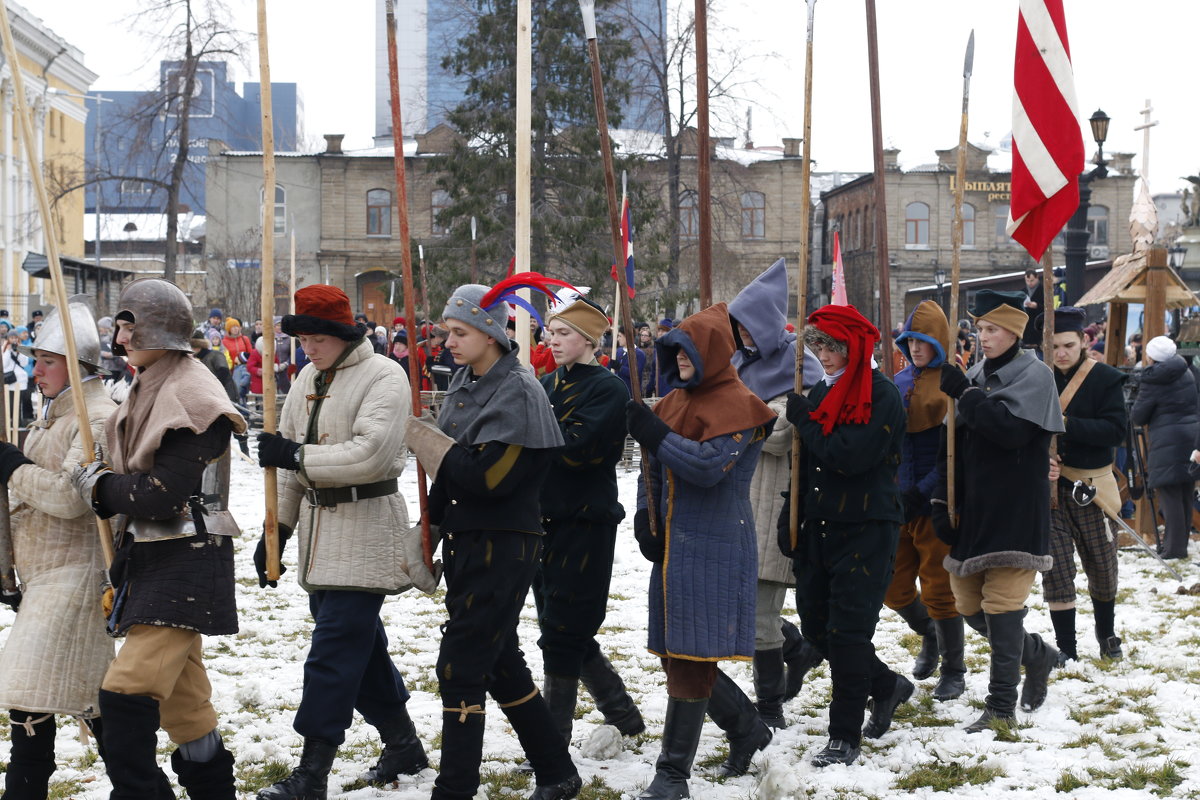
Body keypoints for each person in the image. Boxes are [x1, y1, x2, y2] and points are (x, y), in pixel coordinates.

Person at [404, 277, 581, 800]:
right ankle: (557, 772)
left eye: (460, 332)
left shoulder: (519, 391)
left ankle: (454, 788)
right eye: (447, 333)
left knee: (461, 664)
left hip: (504, 544)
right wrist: (428, 532)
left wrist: (427, 442)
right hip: (466, 538)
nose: (449, 343)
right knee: (500, 664)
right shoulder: (464, 383)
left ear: (490, 332)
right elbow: (449, 478)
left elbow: (488, 478)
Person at [70, 277, 246, 799]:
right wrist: (107, 479)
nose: (120, 339)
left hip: (187, 558)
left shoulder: (193, 394)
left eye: (129, 328)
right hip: (149, 556)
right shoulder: (151, 382)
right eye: (120, 328)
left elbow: (161, 495)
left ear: (158, 332)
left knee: (124, 695)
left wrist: (102, 487)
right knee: (186, 707)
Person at [253, 285, 429, 799]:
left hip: (368, 528)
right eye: (303, 338)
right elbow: (285, 472)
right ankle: (403, 745)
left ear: (341, 333)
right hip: (318, 536)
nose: (308, 347)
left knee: (332, 652)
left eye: (317, 337)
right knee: (361, 650)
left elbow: (371, 454)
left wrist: (296, 457)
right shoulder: (307, 377)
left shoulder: (385, 376)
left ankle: (313, 772)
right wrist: (278, 532)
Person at [626, 303, 777, 798]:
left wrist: (657, 434)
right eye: (673, 351)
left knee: (690, 660)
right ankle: (747, 728)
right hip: (672, 547)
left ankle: (672, 775)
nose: (679, 359)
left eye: (687, 351)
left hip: (715, 545)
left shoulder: (741, 406)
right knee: (677, 656)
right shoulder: (673, 402)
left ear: (710, 353)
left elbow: (709, 468)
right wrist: (646, 517)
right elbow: (652, 467)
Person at [782, 303, 909, 767]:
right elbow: (807, 464)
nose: (823, 355)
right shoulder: (820, 390)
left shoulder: (882, 394)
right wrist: (789, 521)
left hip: (867, 526)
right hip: (819, 525)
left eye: (832, 347)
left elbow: (847, 456)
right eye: (816, 346)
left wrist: (806, 420)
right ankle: (886, 684)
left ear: (854, 348)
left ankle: (844, 735)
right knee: (817, 629)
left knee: (848, 634)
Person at [0, 298, 116, 798]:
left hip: (78, 574)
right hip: (43, 575)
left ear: (78, 364)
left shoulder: (97, 417)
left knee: (31, 690)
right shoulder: (53, 416)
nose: (37, 368)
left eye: (48, 360)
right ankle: (141, 787)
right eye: (36, 359)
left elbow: (72, 498)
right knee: (88, 696)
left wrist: (13, 466)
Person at [933, 289, 1064, 733]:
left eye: (991, 330)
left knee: (1003, 607)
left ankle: (1000, 707)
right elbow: (949, 448)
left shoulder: (1036, 375)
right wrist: (939, 502)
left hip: (1015, 511)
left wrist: (967, 394)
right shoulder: (973, 374)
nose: (982, 337)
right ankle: (1037, 655)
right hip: (974, 513)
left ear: (1014, 332)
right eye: (979, 329)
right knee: (969, 606)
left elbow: (1009, 433)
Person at [534, 298, 645, 742]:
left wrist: (529, 442)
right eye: (550, 332)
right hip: (543, 518)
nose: (552, 340)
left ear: (587, 339)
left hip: (586, 519)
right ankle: (622, 713)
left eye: (562, 333)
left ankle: (550, 740)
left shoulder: (608, 388)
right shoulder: (544, 383)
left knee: (565, 629)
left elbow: (575, 450)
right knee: (557, 626)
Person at [727, 259, 825, 728]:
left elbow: (785, 434)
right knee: (740, 606)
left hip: (776, 500)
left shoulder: (799, 363)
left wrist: (741, 422)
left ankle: (769, 707)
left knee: (758, 616)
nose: (742, 335)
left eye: (748, 326)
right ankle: (798, 648)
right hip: (736, 496)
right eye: (736, 326)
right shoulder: (737, 363)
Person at [886, 300, 966, 701]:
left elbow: (954, 452)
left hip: (935, 502)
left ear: (938, 341)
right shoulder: (897, 383)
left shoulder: (953, 384)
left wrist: (929, 492)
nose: (915, 348)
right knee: (893, 587)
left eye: (922, 341)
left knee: (939, 588)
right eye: (909, 341)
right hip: (896, 502)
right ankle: (929, 634)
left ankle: (954, 668)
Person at [1041, 307, 1128, 664]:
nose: (1061, 353)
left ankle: (1106, 634)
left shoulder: (1105, 379)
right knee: (1057, 568)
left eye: (1068, 345)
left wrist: (1065, 424)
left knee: (1102, 567)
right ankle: (1067, 649)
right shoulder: (1039, 378)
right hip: (1049, 489)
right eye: (1054, 346)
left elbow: (1114, 431)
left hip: (1091, 485)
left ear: (1084, 342)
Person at [1131, 335, 1198, 559]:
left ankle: (1173, 549)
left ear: (1150, 356)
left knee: (1169, 495)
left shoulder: (1153, 380)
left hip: (1166, 439)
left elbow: (1139, 416)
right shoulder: (1184, 370)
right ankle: (1179, 545)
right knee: (1185, 493)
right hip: (1190, 436)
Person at [610, 328, 646, 398]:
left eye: (620, 336)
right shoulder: (618, 351)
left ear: (627, 337)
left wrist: (620, 367)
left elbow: (636, 374)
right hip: (617, 391)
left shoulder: (639, 354)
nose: (618, 339)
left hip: (631, 393)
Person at [1021, 270, 1044, 348]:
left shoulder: (1043, 290)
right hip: (1027, 325)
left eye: (1032, 280)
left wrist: (1037, 306)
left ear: (1037, 278)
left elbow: (1049, 307)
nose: (1029, 283)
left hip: (1039, 324)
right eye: (1027, 281)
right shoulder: (1023, 291)